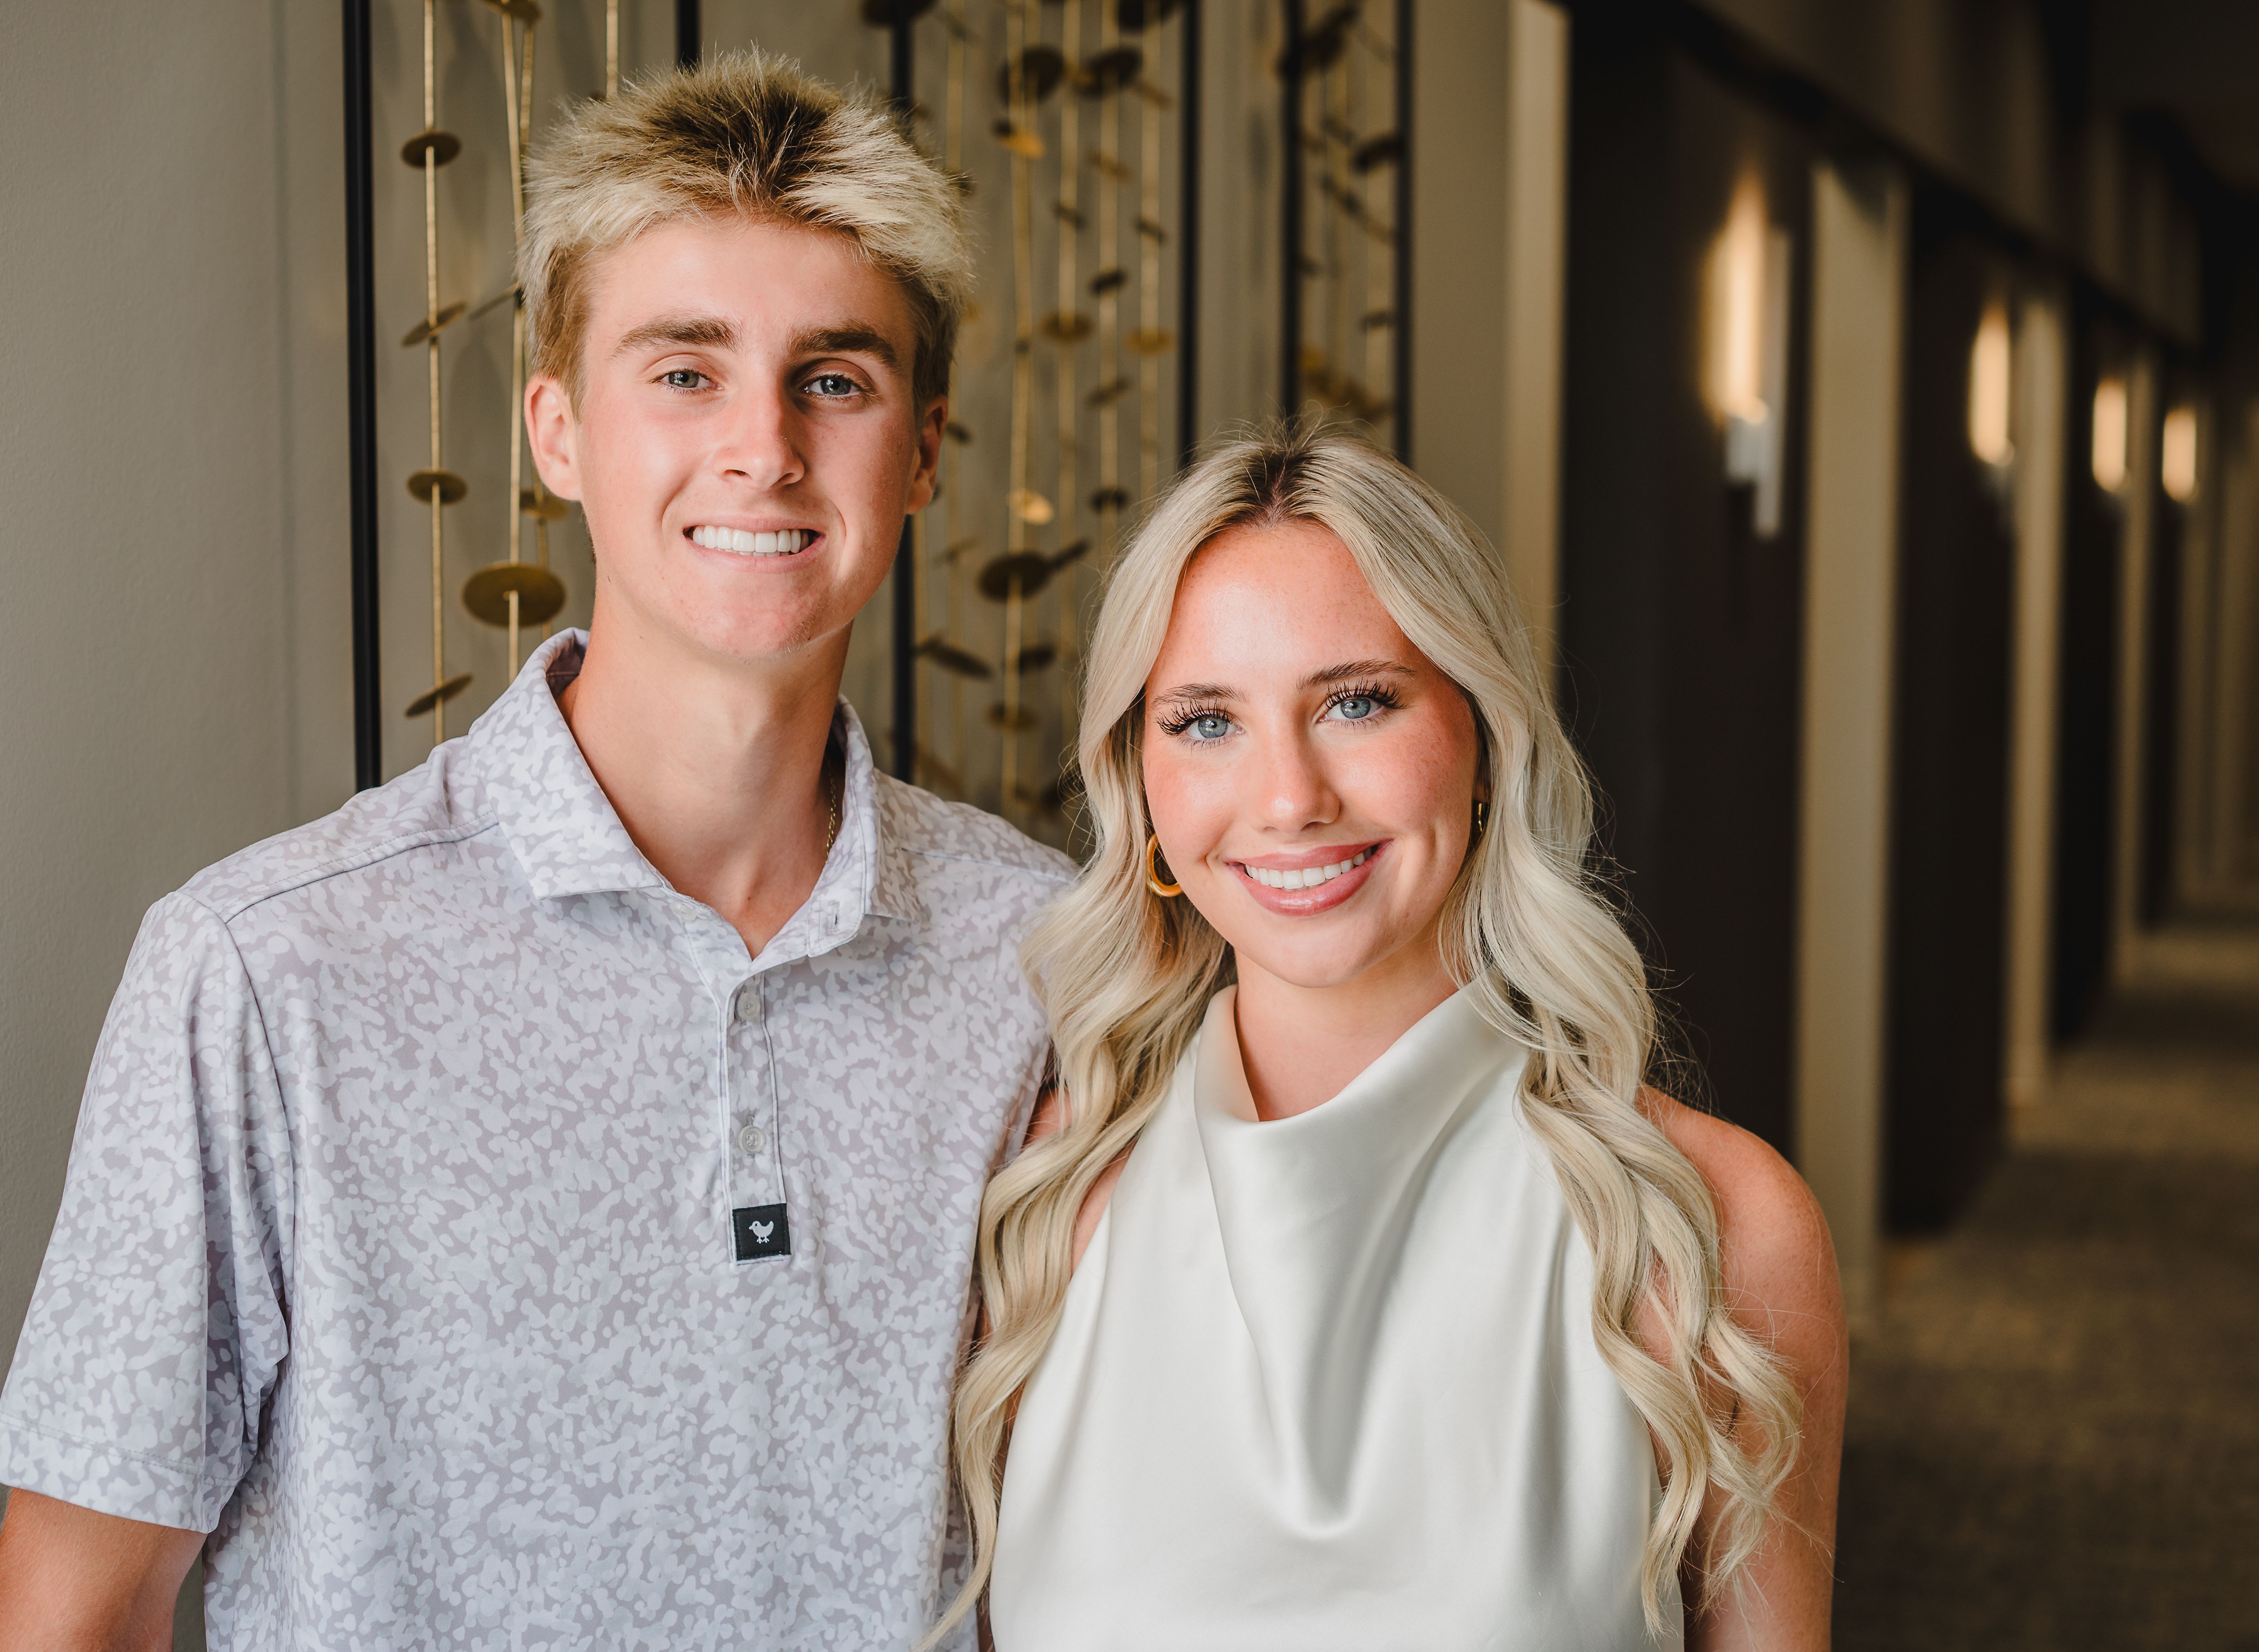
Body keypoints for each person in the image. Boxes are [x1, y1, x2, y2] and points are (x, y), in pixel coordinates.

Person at [0, 53, 1066, 1650]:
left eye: (834, 377)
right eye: (684, 372)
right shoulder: (266, 969)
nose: (764, 447)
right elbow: (77, 1606)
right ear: (558, 431)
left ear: (920, 455)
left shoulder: (1048, 953)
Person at [945, 427, 1848, 1650]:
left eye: (1357, 702)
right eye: (1207, 721)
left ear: (1483, 742)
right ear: (1142, 789)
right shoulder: (1036, 1198)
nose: (1289, 798)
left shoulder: (1711, 1225)